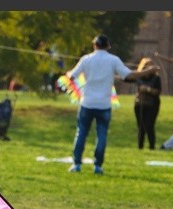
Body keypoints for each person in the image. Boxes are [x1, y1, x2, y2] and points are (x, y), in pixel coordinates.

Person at [66, 34, 160, 175]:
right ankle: (98, 166)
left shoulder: (85, 59)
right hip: (104, 104)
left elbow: (71, 76)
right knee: (101, 135)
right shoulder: (113, 60)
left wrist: (69, 73)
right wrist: (149, 71)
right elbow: (129, 75)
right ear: (108, 46)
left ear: (94, 45)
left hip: (87, 103)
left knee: (81, 134)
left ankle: (76, 164)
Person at [133, 57, 162, 150]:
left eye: (151, 65)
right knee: (140, 125)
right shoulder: (138, 77)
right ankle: (140, 146)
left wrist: (148, 89)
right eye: (147, 66)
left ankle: (152, 146)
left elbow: (158, 91)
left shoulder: (156, 78)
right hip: (140, 103)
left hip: (153, 104)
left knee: (149, 125)